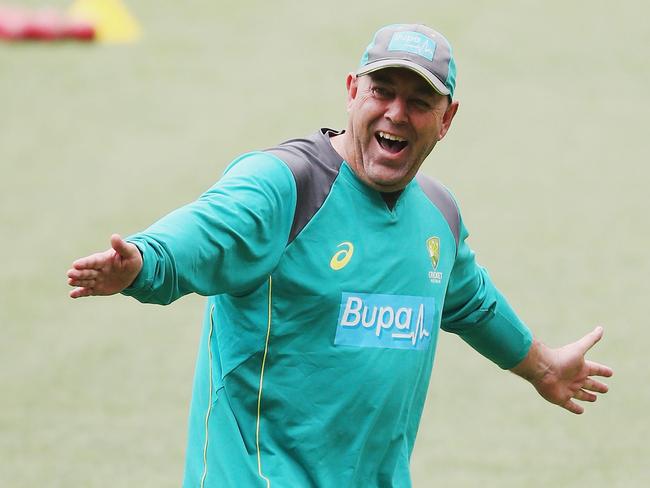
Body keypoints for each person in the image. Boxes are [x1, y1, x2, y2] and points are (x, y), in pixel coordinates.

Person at [66, 24, 613, 488]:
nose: (397, 113)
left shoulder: (437, 219)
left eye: (419, 102)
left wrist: (541, 367)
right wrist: (143, 260)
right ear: (353, 91)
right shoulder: (285, 186)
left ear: (446, 120)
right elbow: (206, 232)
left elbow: (470, 301)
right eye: (382, 92)